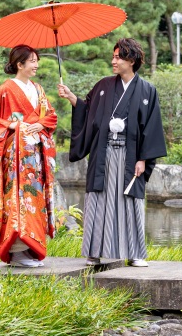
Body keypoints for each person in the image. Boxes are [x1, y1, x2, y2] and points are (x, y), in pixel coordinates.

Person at [57, 38, 166, 267]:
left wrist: (143, 158)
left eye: (118, 57)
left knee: (130, 200)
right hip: (103, 153)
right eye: (114, 56)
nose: (113, 61)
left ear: (132, 60)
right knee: (99, 199)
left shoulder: (147, 90)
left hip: (130, 156)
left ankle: (135, 253)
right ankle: (94, 252)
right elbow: (88, 110)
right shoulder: (104, 86)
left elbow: (152, 126)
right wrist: (71, 97)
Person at [0, 44, 59, 267]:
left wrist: (39, 124)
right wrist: (13, 125)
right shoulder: (6, 89)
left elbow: (51, 116)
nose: (36, 65)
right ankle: (16, 251)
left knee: (34, 199)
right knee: (18, 199)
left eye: (36, 60)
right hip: (15, 158)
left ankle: (31, 248)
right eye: (32, 61)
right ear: (19, 64)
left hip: (35, 155)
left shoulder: (38, 89)